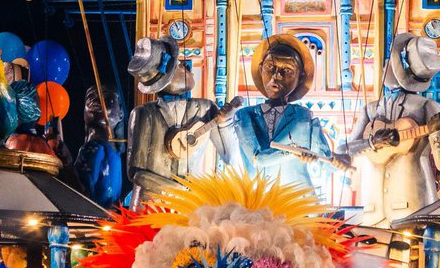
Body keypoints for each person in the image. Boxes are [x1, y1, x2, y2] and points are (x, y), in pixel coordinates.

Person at [339, 32, 440, 228]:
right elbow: (345, 150)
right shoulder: (370, 109)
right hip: (374, 208)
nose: (385, 67)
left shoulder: (427, 106)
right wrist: (371, 143)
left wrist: (437, 133)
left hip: (413, 204)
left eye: (390, 64)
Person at [127, 37, 240, 209]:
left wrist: (225, 123)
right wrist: (179, 190)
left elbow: (231, 158)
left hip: (189, 209)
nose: (186, 67)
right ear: (166, 77)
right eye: (179, 65)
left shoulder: (205, 108)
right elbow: (135, 172)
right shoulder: (144, 113)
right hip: (149, 208)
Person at [235, 34, 336, 196]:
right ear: (261, 68)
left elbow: (328, 163)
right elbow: (257, 159)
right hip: (257, 204)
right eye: (270, 67)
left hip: (298, 203)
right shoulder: (244, 116)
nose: (277, 76)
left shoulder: (305, 117)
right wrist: (294, 152)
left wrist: (340, 159)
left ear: (300, 76)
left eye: (287, 70)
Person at [73, 84, 125, 208]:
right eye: (90, 97)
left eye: (107, 98)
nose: (97, 99)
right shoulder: (110, 151)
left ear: (120, 113)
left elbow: (78, 192)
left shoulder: (93, 149)